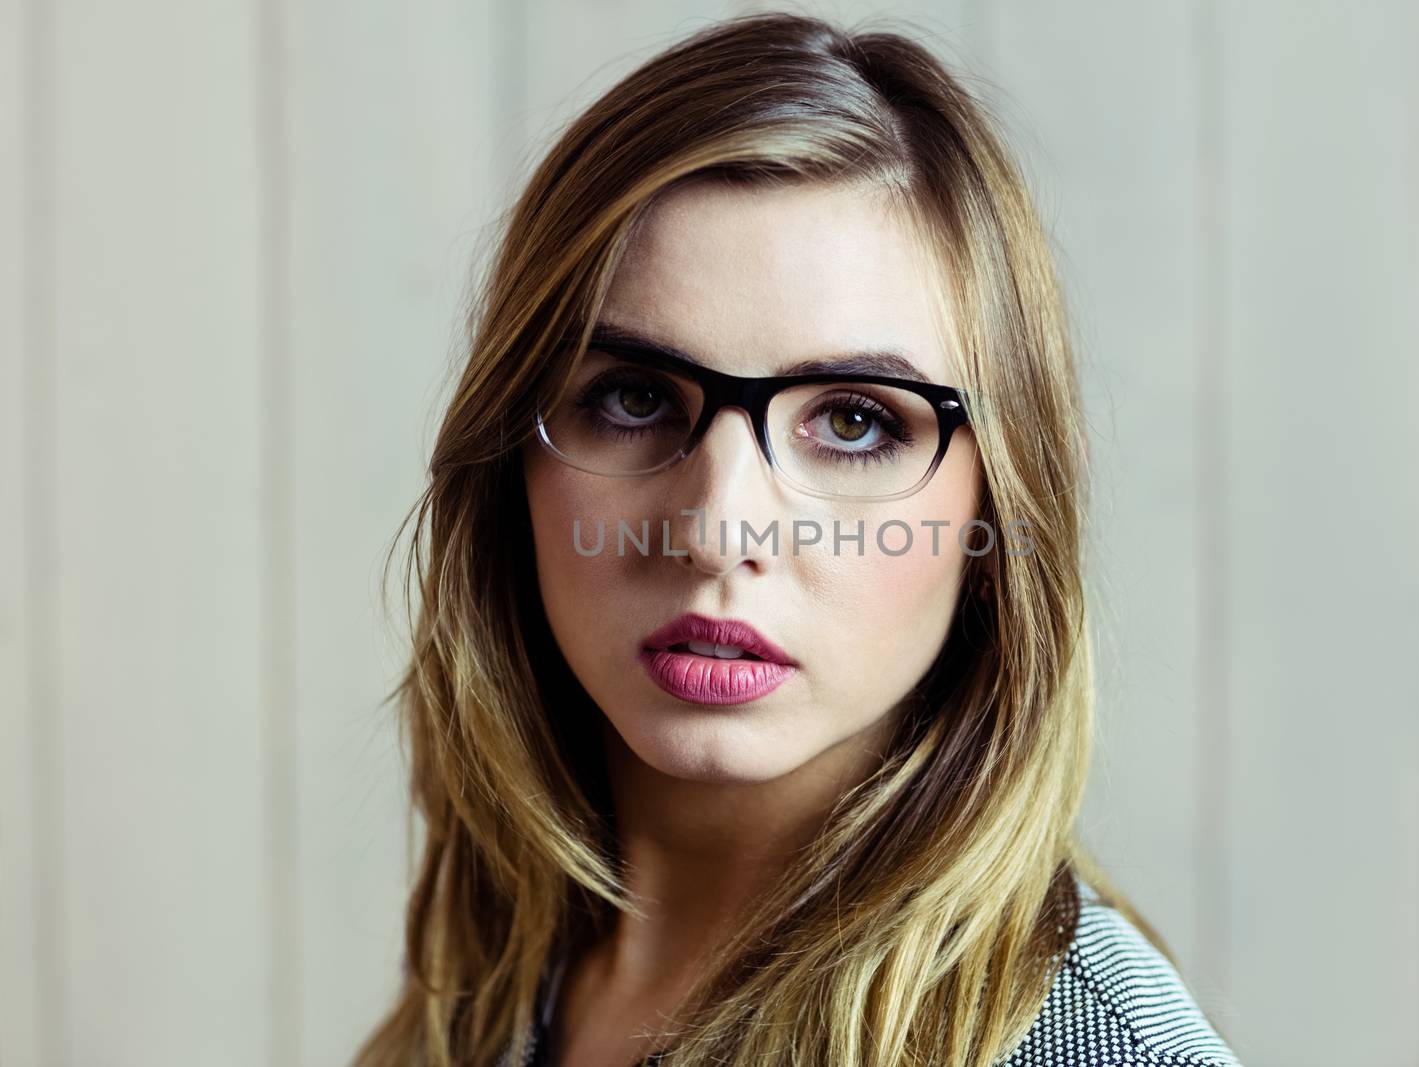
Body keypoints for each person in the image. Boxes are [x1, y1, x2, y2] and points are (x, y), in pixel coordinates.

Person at [354, 11, 1244, 1067]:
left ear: (1001, 508)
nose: (718, 527)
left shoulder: (1093, 1050)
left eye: (856, 420)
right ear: (512, 456)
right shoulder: (506, 965)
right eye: (634, 395)